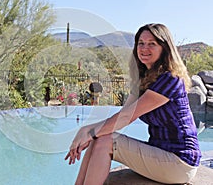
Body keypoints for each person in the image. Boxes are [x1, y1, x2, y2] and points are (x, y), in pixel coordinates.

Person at [65, 23, 201, 184]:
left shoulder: (170, 80)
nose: (144, 48)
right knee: (100, 137)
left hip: (180, 162)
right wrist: (89, 132)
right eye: (141, 43)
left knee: (105, 140)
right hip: (160, 152)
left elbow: (126, 117)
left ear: (164, 48)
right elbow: (122, 116)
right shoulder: (145, 79)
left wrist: (88, 131)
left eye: (152, 44)